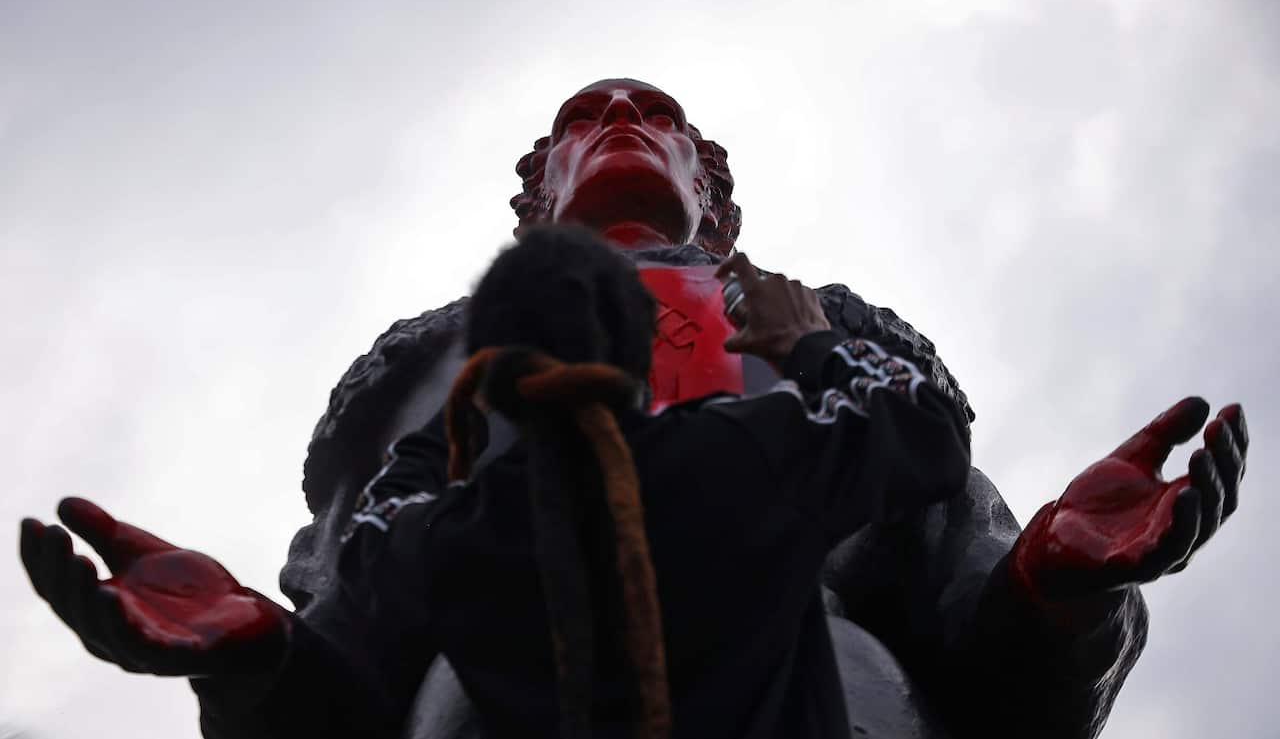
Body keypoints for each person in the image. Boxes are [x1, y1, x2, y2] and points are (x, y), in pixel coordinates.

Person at [23, 224, 974, 738]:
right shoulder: (749, 455)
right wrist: (807, 338)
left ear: (480, 365)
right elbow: (925, 429)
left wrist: (249, 653)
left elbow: (373, 561)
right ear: (650, 344)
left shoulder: (450, 536)